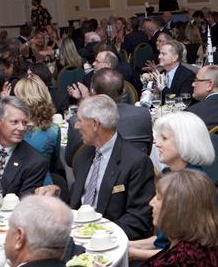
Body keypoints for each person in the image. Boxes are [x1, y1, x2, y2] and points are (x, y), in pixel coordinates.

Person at [55, 94, 156, 239]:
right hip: (75, 235)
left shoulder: (136, 162)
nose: (76, 126)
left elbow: (138, 219)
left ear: (95, 124)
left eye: (79, 121)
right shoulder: (83, 156)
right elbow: (76, 200)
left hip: (109, 240)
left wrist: (96, 233)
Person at [12, 74, 63, 184]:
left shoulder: (11, 129)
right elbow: (53, 163)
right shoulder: (53, 130)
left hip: (14, 186)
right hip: (44, 186)